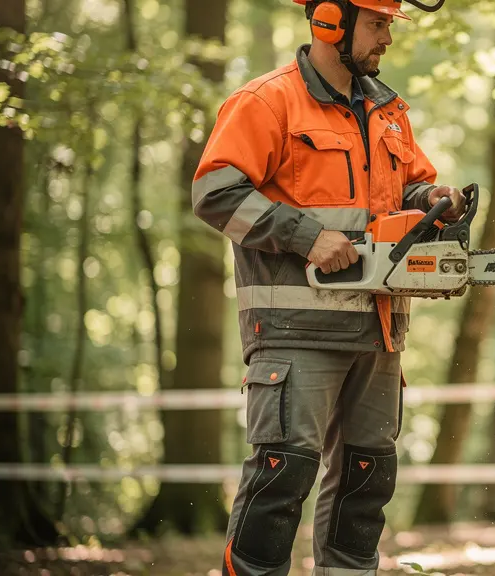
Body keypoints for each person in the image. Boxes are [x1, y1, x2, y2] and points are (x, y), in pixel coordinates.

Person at [191, 0, 465, 573]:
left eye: (388, 24)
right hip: (296, 329)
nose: (387, 38)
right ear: (330, 23)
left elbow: (410, 186)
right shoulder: (268, 101)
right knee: (282, 473)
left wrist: (430, 201)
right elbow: (214, 194)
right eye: (378, 23)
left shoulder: (388, 111)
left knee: (367, 479)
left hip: (379, 327)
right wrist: (303, 235)